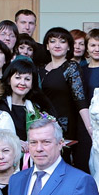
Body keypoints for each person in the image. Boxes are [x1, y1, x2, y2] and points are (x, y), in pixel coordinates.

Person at [39, 27, 91, 168]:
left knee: (62, 164)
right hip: (42, 125)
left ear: (69, 47)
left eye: (62, 41)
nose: (57, 45)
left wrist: (90, 128)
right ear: (47, 46)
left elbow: (80, 99)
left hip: (65, 126)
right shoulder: (40, 69)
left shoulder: (71, 67)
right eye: (53, 41)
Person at [0, 57, 55, 143]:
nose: (22, 83)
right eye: (18, 78)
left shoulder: (38, 106)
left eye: (27, 79)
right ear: (9, 80)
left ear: (32, 83)